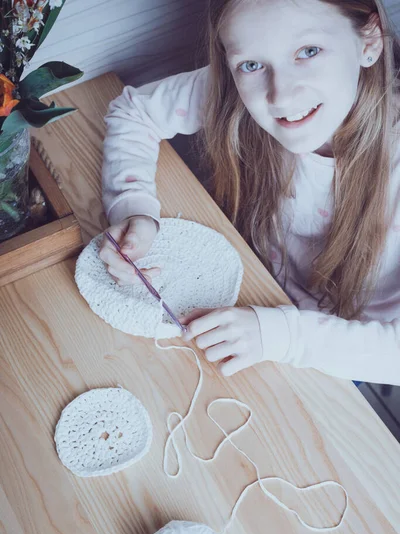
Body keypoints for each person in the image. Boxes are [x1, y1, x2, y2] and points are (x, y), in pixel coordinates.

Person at [100, 0, 400, 385]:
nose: (281, 95)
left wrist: (281, 337)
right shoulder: (234, 93)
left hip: (340, 352)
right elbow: (133, 111)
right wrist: (134, 208)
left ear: (369, 41)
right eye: (252, 65)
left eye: (308, 51)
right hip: (254, 293)